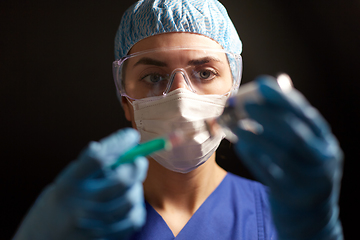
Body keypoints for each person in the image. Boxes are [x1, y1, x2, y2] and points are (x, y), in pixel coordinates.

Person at [13, 0, 343, 239]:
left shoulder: (283, 216)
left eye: (204, 72)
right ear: (126, 101)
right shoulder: (86, 218)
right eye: (154, 76)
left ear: (233, 92)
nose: (181, 98)